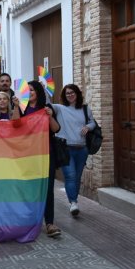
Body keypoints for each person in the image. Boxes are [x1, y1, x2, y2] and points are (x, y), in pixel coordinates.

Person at [23, 81, 62, 237]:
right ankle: (29, 221)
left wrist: (49, 116)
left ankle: (50, 223)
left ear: (38, 92)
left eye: (32, 90)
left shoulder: (47, 108)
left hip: (46, 153)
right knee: (28, 188)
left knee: (47, 188)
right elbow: (14, 126)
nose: (29, 92)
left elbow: (56, 129)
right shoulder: (22, 108)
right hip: (26, 155)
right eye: (27, 90)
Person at [52, 84, 96, 216]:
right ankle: (73, 202)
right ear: (64, 96)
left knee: (76, 177)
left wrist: (88, 127)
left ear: (77, 94)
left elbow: (93, 123)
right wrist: (44, 91)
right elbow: (46, 106)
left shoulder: (85, 109)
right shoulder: (59, 108)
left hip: (82, 149)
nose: (70, 95)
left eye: (72, 92)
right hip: (65, 148)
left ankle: (73, 201)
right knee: (70, 176)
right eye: (67, 93)